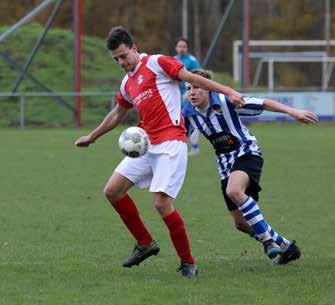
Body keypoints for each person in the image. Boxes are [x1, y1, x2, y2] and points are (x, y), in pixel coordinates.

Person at [74, 26, 245, 278]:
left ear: (134, 47)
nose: (121, 62)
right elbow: (118, 113)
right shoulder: (126, 83)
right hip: (146, 144)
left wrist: (227, 90)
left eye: (123, 55)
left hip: (171, 143)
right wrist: (92, 136)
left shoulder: (157, 63)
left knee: (162, 204)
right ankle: (145, 243)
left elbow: (192, 78)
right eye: (116, 59)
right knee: (112, 191)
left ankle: (188, 263)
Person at [183, 69, 319, 264]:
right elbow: (179, 137)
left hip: (246, 151)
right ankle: (287, 247)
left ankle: (268, 242)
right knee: (240, 223)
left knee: (234, 190)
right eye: (188, 88)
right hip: (224, 163)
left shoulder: (225, 101)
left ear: (208, 89)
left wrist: (293, 112)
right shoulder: (188, 112)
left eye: (196, 87)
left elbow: (263, 103)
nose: (192, 92)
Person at [174, 37, 201, 156]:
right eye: (180, 46)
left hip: (189, 95)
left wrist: (190, 92)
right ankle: (179, 146)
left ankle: (195, 147)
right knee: (177, 120)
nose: (181, 49)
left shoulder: (192, 60)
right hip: (175, 95)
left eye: (184, 46)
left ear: (187, 48)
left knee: (190, 119)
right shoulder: (173, 60)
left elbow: (198, 77)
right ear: (176, 48)